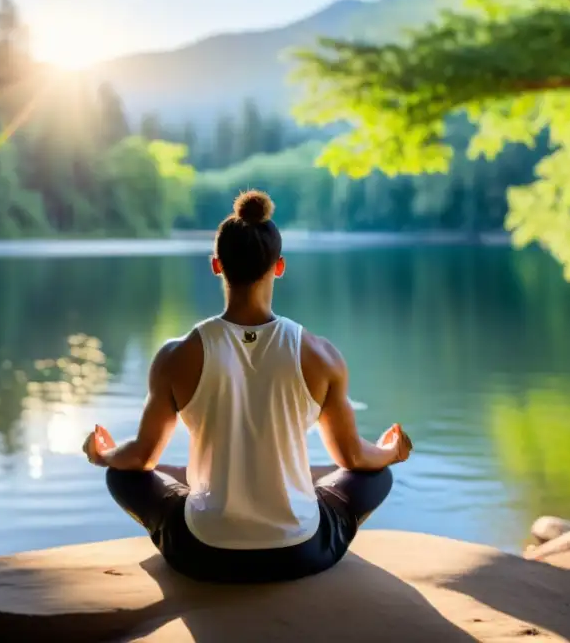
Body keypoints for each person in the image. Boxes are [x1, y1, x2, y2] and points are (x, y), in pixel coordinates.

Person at [83, 190, 411, 583]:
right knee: (376, 473)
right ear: (280, 266)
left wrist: (103, 454)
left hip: (201, 552)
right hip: (301, 552)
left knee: (121, 474)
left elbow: (141, 459)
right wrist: (390, 452)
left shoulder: (176, 355)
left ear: (216, 265)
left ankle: (200, 485)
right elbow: (353, 459)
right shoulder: (321, 355)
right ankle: (291, 488)